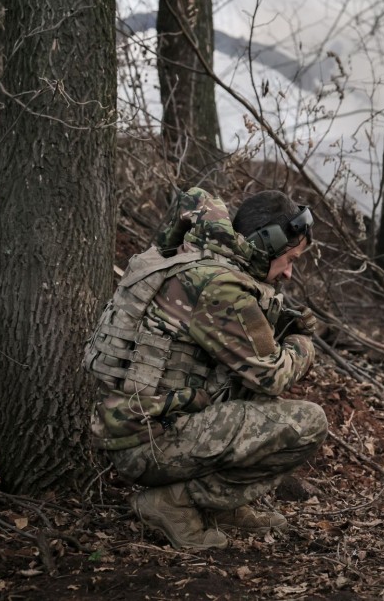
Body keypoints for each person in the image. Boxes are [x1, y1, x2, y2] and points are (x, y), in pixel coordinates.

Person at [83, 187, 328, 550]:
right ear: (265, 244)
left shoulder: (190, 259)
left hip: (141, 427)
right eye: (289, 259)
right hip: (149, 444)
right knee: (308, 424)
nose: (290, 273)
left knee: (247, 394)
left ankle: (221, 506)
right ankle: (176, 502)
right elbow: (273, 376)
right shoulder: (220, 286)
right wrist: (303, 343)